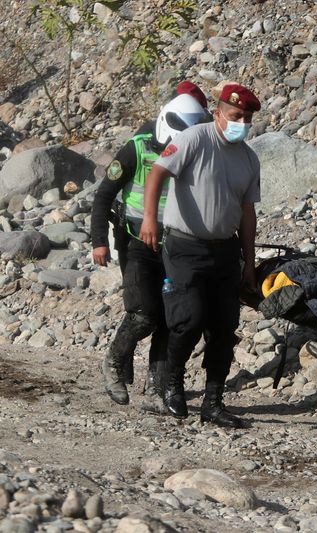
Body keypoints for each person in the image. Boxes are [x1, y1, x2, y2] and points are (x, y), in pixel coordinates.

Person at [139, 83, 262, 428]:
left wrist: (249, 263)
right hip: (185, 246)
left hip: (225, 251)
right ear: (218, 113)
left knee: (224, 327)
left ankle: (213, 401)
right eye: (236, 115)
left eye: (248, 117)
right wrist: (150, 218)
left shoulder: (249, 158)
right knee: (188, 319)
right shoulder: (195, 138)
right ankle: (172, 384)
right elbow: (158, 173)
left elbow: (248, 213)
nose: (242, 122)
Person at [92, 86, 211, 410]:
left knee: (172, 318)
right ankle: (115, 362)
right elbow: (104, 195)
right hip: (135, 242)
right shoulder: (138, 147)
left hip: (176, 245)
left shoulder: (198, 148)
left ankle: (158, 386)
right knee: (144, 314)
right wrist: (99, 242)